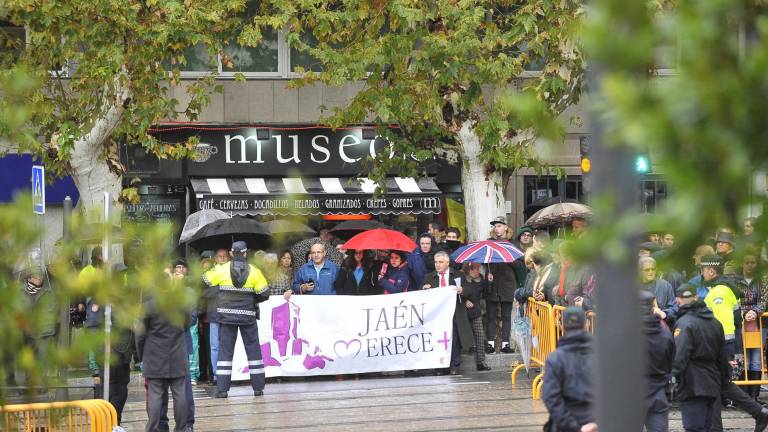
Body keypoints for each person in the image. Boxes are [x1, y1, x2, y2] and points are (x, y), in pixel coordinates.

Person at [203, 241, 270, 398]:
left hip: (226, 317)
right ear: (246, 253)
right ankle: (258, 388)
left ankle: (222, 389)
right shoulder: (255, 271)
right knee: (253, 351)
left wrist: (218, 290)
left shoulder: (221, 269)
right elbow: (265, 293)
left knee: (225, 352)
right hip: (248, 317)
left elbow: (204, 280)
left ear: (231, 253)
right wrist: (252, 298)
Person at [671, 283, 727, 432]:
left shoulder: (685, 323)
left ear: (678, 300)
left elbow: (679, 356)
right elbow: (722, 357)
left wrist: (671, 378)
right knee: (708, 427)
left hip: (692, 383)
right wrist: (723, 381)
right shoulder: (715, 323)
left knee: (693, 427)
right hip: (712, 382)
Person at [136, 282, 191, 432]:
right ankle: (181, 428)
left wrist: (141, 357)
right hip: (177, 356)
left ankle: (152, 428)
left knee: (155, 396)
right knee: (180, 395)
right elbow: (187, 324)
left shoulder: (148, 306)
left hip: (154, 357)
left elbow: (140, 335)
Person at [541, 307, 597, 432]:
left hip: (566, 426)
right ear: (586, 325)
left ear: (562, 326)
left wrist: (574, 426)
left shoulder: (555, 358)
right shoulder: (602, 356)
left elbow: (550, 397)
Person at [423, 251, 473, 375]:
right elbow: (421, 294)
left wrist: (463, 290)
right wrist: (424, 289)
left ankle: (454, 366)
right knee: (438, 339)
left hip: (454, 312)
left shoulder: (458, 275)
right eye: (436, 262)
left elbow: (469, 290)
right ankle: (440, 367)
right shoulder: (429, 277)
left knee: (454, 338)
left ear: (447, 263)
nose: (437, 265)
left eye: (440, 262)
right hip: (437, 315)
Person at [639, 290, 674, 432]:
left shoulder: (623, 332)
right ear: (653, 308)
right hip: (658, 393)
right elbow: (670, 361)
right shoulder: (665, 332)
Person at [486, 216, 518, 354]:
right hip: (492, 284)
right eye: (495, 226)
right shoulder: (489, 243)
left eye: (499, 225)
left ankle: (505, 344)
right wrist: (488, 272)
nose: (496, 228)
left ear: (506, 227)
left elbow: (519, 264)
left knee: (506, 316)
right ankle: (490, 344)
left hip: (508, 284)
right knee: (491, 316)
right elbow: (484, 260)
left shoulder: (512, 244)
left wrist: (507, 258)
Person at [461, 262, 491, 371]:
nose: (479, 271)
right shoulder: (462, 279)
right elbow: (457, 293)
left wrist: (489, 281)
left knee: (479, 335)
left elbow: (487, 292)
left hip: (476, 311)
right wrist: (464, 301)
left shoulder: (481, 280)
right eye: (477, 269)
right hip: (463, 312)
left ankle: (481, 362)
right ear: (470, 270)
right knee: (463, 335)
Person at [639, 256, 677, 325]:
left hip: (661, 327)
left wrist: (664, 314)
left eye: (653, 269)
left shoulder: (665, 286)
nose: (650, 272)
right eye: (647, 270)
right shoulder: (634, 286)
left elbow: (674, 308)